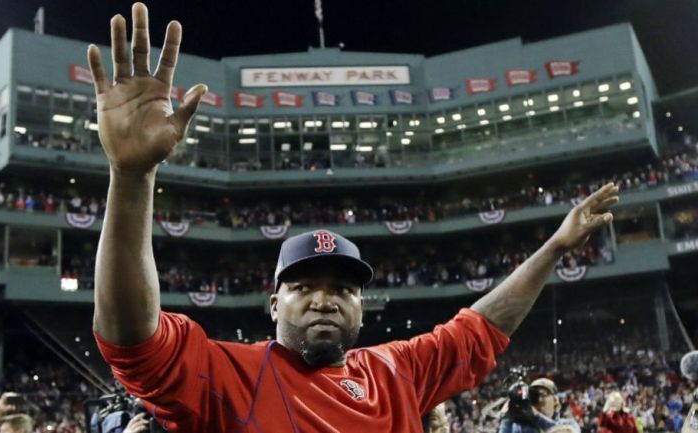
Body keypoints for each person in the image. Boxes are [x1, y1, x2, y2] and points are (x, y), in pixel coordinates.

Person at [88, 3, 620, 432]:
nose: (324, 299)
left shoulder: (396, 372)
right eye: (305, 287)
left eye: (342, 289)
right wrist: (131, 177)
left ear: (361, 307)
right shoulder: (229, 377)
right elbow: (133, 341)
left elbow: (480, 328)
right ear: (275, 303)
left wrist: (554, 247)